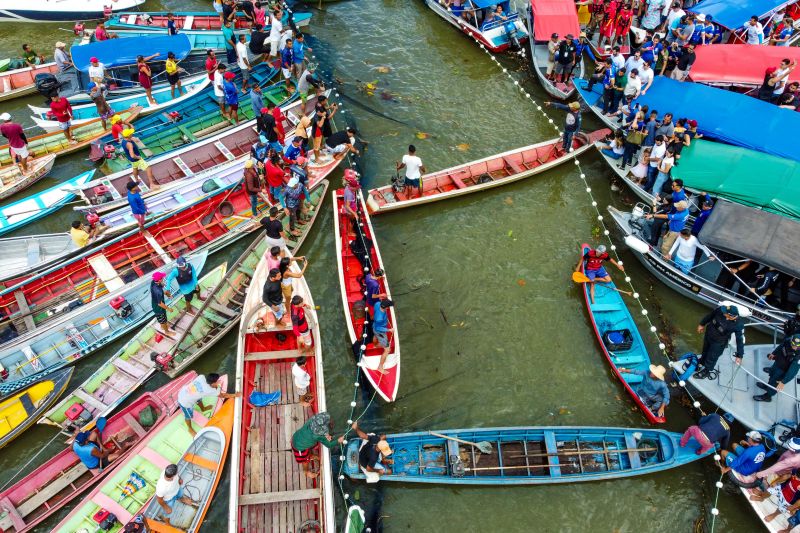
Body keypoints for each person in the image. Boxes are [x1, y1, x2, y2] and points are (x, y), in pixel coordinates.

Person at [177, 373, 237, 437]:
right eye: (218, 381)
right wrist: (235, 395)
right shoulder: (211, 390)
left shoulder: (201, 376)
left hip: (184, 391)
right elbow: (223, 395)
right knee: (188, 416)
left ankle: (203, 408)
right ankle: (190, 428)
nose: (219, 381)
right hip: (185, 401)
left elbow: (209, 387)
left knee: (199, 397)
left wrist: (216, 385)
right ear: (213, 383)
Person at [694, 305, 745, 379]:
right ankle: (701, 362)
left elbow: (739, 340)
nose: (723, 312)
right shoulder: (720, 310)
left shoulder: (738, 324)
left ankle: (706, 371)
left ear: (730, 316)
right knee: (705, 351)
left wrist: (739, 355)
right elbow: (710, 316)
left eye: (725, 312)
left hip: (718, 342)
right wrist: (702, 324)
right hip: (709, 335)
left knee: (712, 356)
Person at [290, 412, 344, 479]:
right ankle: (306, 472)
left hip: (296, 437)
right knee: (305, 460)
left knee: (307, 450)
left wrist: (326, 435)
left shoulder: (312, 420)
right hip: (299, 447)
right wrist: (338, 441)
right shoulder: (317, 436)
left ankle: (311, 456)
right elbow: (329, 445)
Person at [754, 335, 800, 402]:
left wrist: (783, 382)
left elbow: (793, 370)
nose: (794, 347)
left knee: (774, 383)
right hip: (777, 363)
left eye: (797, 346)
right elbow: (780, 347)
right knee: (771, 376)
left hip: (783, 371)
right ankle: (767, 386)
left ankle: (767, 397)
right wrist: (773, 353)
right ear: (791, 341)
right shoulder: (787, 341)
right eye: (793, 344)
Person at [372, 299, 394, 374]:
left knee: (375, 335)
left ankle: (375, 345)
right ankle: (380, 367)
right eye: (388, 306)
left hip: (374, 326)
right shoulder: (379, 318)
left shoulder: (377, 303)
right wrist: (389, 330)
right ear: (386, 307)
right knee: (387, 350)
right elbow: (378, 328)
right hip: (380, 331)